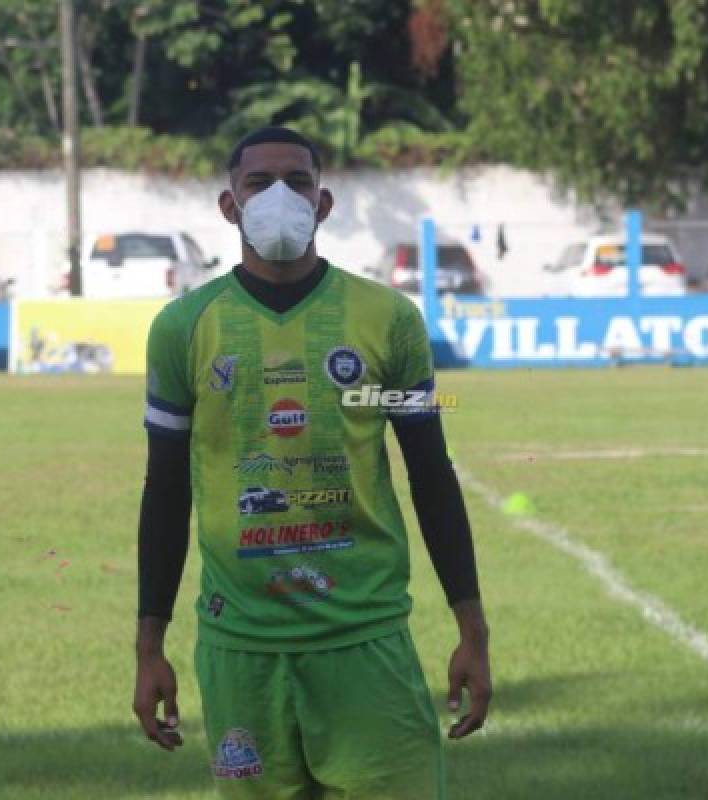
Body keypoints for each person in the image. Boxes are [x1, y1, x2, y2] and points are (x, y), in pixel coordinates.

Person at [132, 126, 491, 799]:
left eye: (297, 181)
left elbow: (432, 475)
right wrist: (149, 647)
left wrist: (473, 630)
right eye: (257, 183)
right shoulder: (182, 326)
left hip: (366, 641)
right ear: (228, 204)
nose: (278, 196)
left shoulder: (388, 318)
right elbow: (164, 491)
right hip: (241, 651)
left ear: (323, 204)